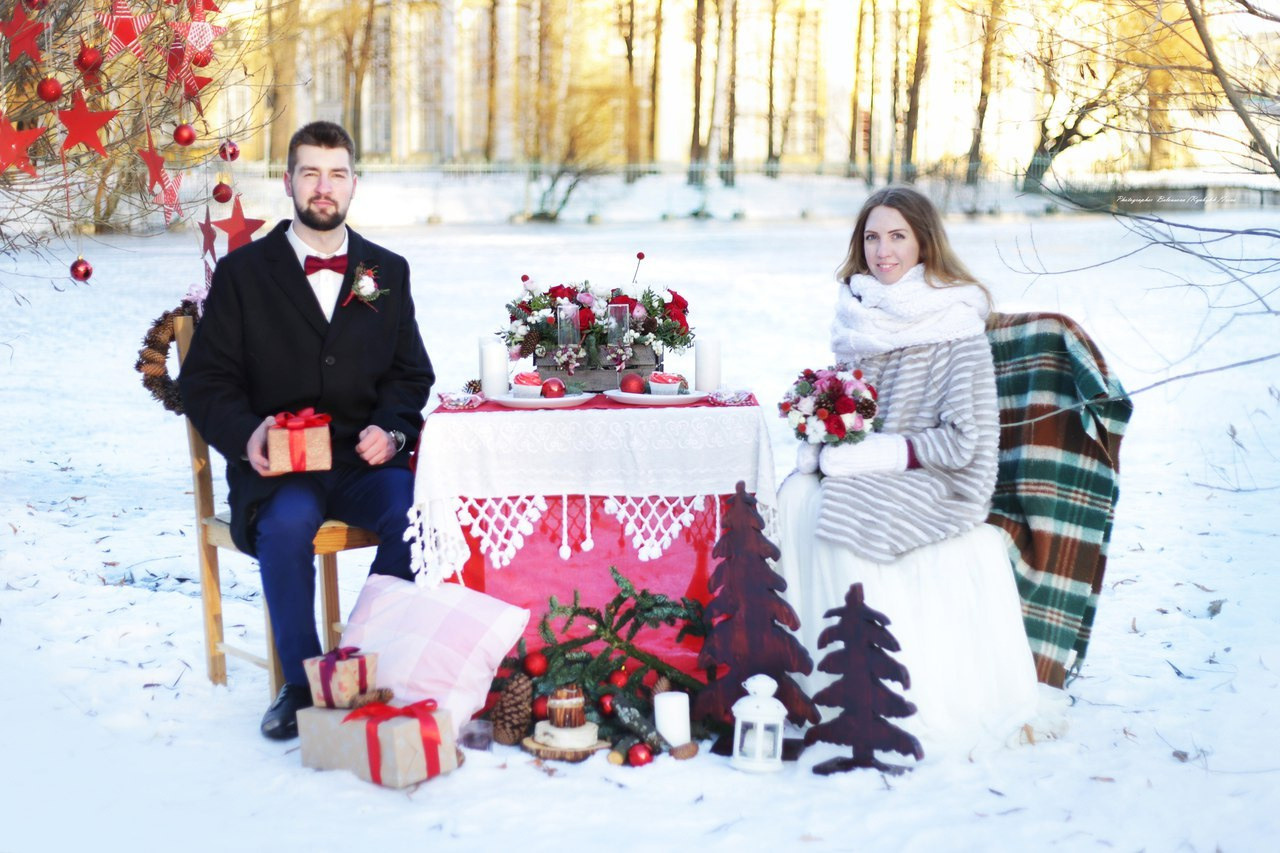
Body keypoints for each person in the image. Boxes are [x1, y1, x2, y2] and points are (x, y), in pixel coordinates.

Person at [179, 121, 435, 740]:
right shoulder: (243, 274)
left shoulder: (388, 271)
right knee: (289, 524)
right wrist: (248, 436)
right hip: (280, 467)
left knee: (415, 513)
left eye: (337, 174)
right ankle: (301, 681)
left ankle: (368, 655)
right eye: (311, 173)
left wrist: (392, 431)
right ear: (290, 181)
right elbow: (205, 384)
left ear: (354, 184)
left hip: (359, 461)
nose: (325, 187)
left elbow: (411, 376)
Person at [775, 186, 1042, 757]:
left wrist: (880, 455)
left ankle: (866, 693)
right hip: (872, 462)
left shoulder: (953, 320)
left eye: (897, 236)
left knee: (846, 513)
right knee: (797, 494)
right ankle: (807, 685)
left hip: (939, 477)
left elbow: (967, 440)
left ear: (924, 242)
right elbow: (851, 404)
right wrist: (819, 434)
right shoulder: (859, 315)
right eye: (872, 237)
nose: (883, 250)